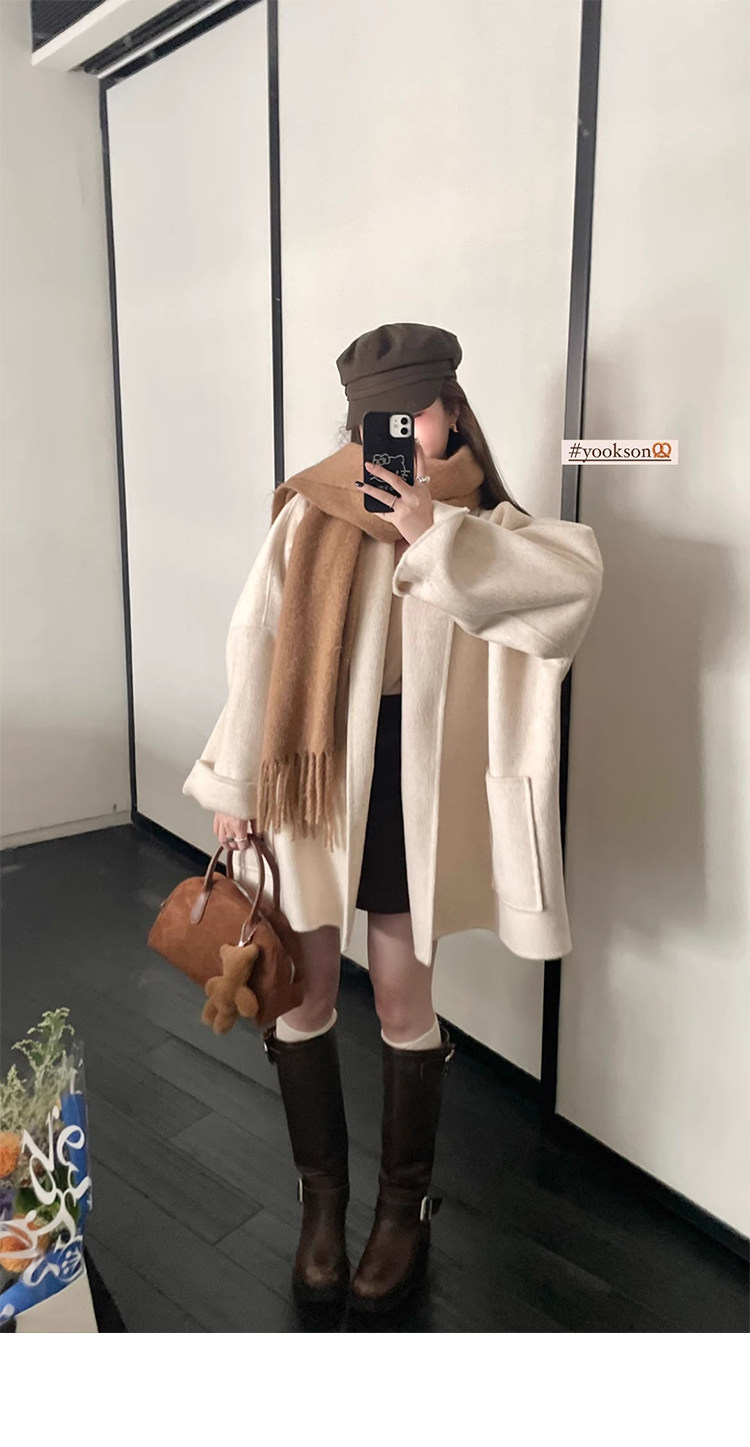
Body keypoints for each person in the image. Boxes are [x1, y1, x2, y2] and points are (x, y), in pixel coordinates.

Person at [183, 322, 604, 1315]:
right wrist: (235, 787)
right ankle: (322, 1201)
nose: (404, 433)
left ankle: (402, 1210)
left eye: (419, 411)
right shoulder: (311, 511)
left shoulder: (485, 522)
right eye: (383, 418)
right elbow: (257, 640)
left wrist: (434, 534)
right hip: (315, 784)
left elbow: (572, 590)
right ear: (356, 424)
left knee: (405, 999)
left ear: (453, 410)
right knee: (303, 991)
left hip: (413, 799)